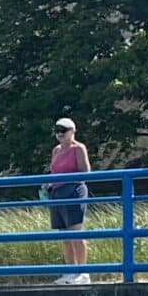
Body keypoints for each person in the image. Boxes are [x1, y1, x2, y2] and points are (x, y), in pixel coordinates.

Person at [46, 117, 93, 283]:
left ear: (73, 131)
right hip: (57, 193)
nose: (60, 134)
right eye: (57, 131)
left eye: (63, 130)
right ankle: (70, 271)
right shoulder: (56, 150)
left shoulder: (78, 148)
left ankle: (83, 272)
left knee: (76, 233)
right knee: (64, 236)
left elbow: (85, 172)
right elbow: (53, 172)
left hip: (73, 191)